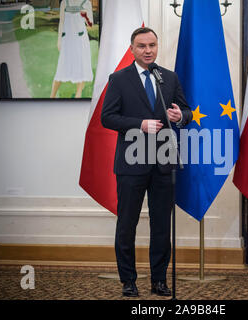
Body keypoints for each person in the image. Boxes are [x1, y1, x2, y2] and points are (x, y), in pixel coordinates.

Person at [101, 27, 192, 297]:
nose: (148, 50)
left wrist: (180, 117)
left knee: (162, 224)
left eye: (152, 45)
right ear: (132, 49)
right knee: (127, 224)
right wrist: (139, 124)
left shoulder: (169, 77)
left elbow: (185, 111)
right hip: (131, 163)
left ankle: (159, 280)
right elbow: (107, 117)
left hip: (164, 162)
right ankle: (128, 280)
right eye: (142, 46)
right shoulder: (119, 79)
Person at [50, 0, 93, 98]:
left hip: (80, 39)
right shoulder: (65, 2)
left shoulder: (87, 3)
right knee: (61, 67)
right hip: (67, 39)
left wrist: (85, 15)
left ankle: (78, 96)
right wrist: (59, 40)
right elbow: (61, 21)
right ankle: (51, 96)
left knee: (80, 66)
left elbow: (90, 25)